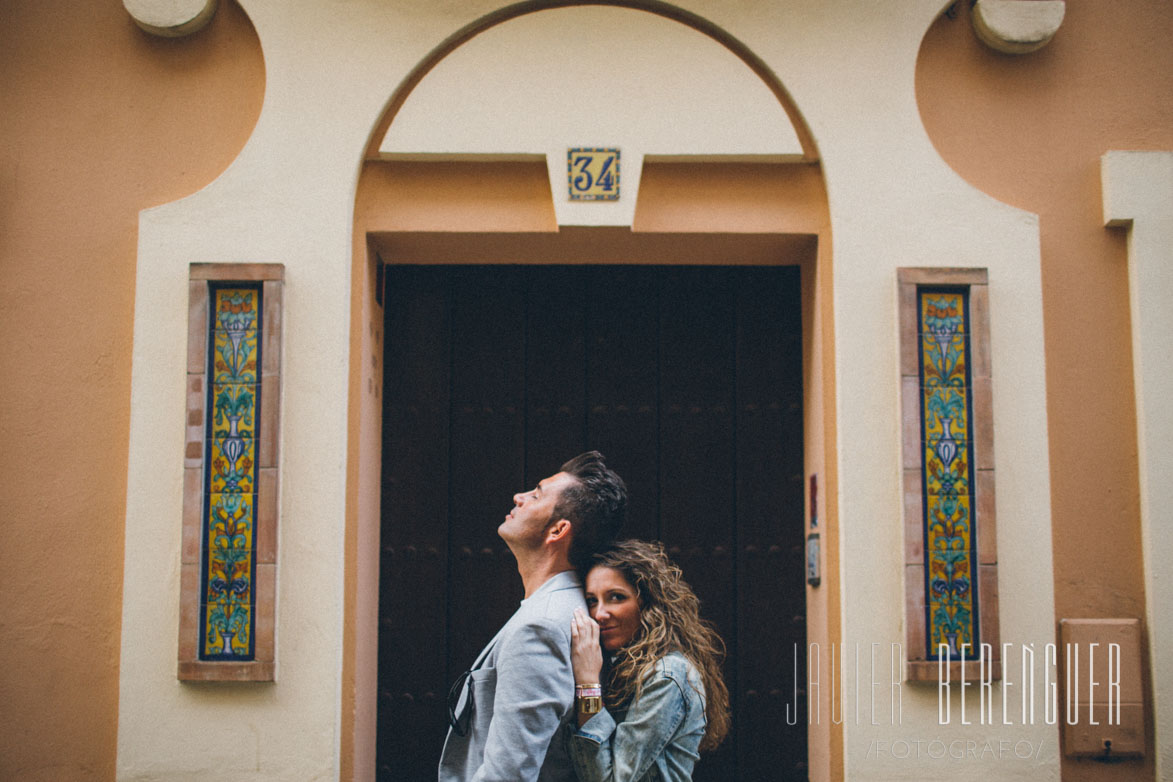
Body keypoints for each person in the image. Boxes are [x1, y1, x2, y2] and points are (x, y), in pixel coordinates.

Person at [439, 451, 627, 782]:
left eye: (537, 494)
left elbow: (509, 774)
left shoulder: (541, 626)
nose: (519, 497)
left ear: (557, 530)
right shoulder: (560, 608)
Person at [568, 540, 731, 782]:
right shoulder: (620, 664)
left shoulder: (666, 676)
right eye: (592, 600)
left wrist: (588, 684)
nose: (600, 613)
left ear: (646, 603)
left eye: (616, 597)